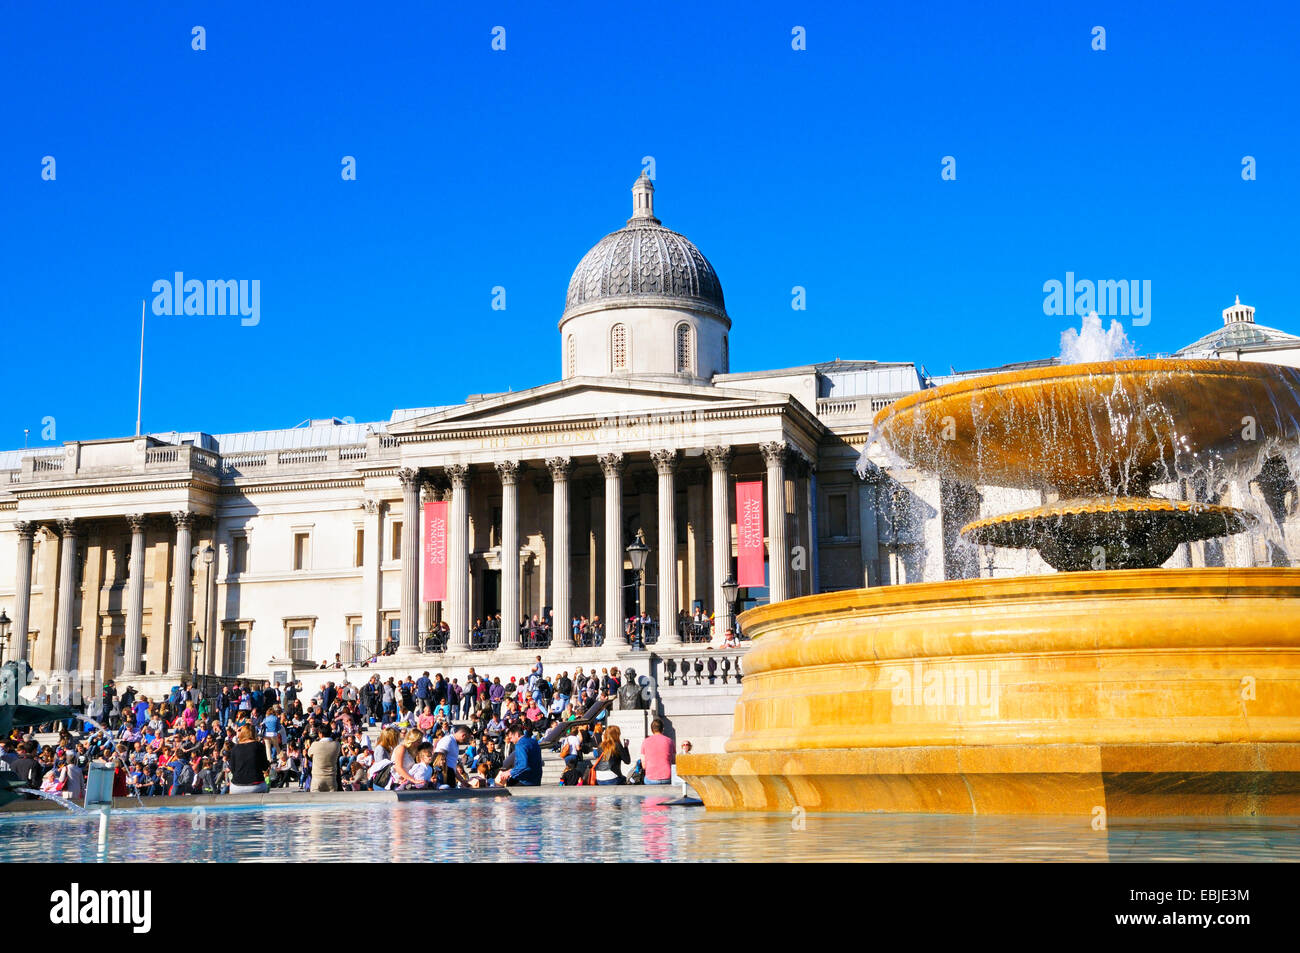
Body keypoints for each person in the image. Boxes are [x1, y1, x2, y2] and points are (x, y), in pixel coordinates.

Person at [228, 724, 271, 794]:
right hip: (256, 785)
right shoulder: (259, 745)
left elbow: (232, 769)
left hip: (237, 786)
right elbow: (265, 767)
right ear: (254, 733)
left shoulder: (235, 748)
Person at [308, 723, 341, 792]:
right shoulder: (337, 745)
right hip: (331, 779)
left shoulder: (315, 745)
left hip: (317, 778)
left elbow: (309, 754)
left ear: (320, 733)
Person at [640, 718, 674, 784]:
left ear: (652, 729)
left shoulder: (645, 741)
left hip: (651, 778)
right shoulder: (670, 741)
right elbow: (673, 761)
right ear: (662, 729)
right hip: (667, 777)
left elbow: (644, 766)